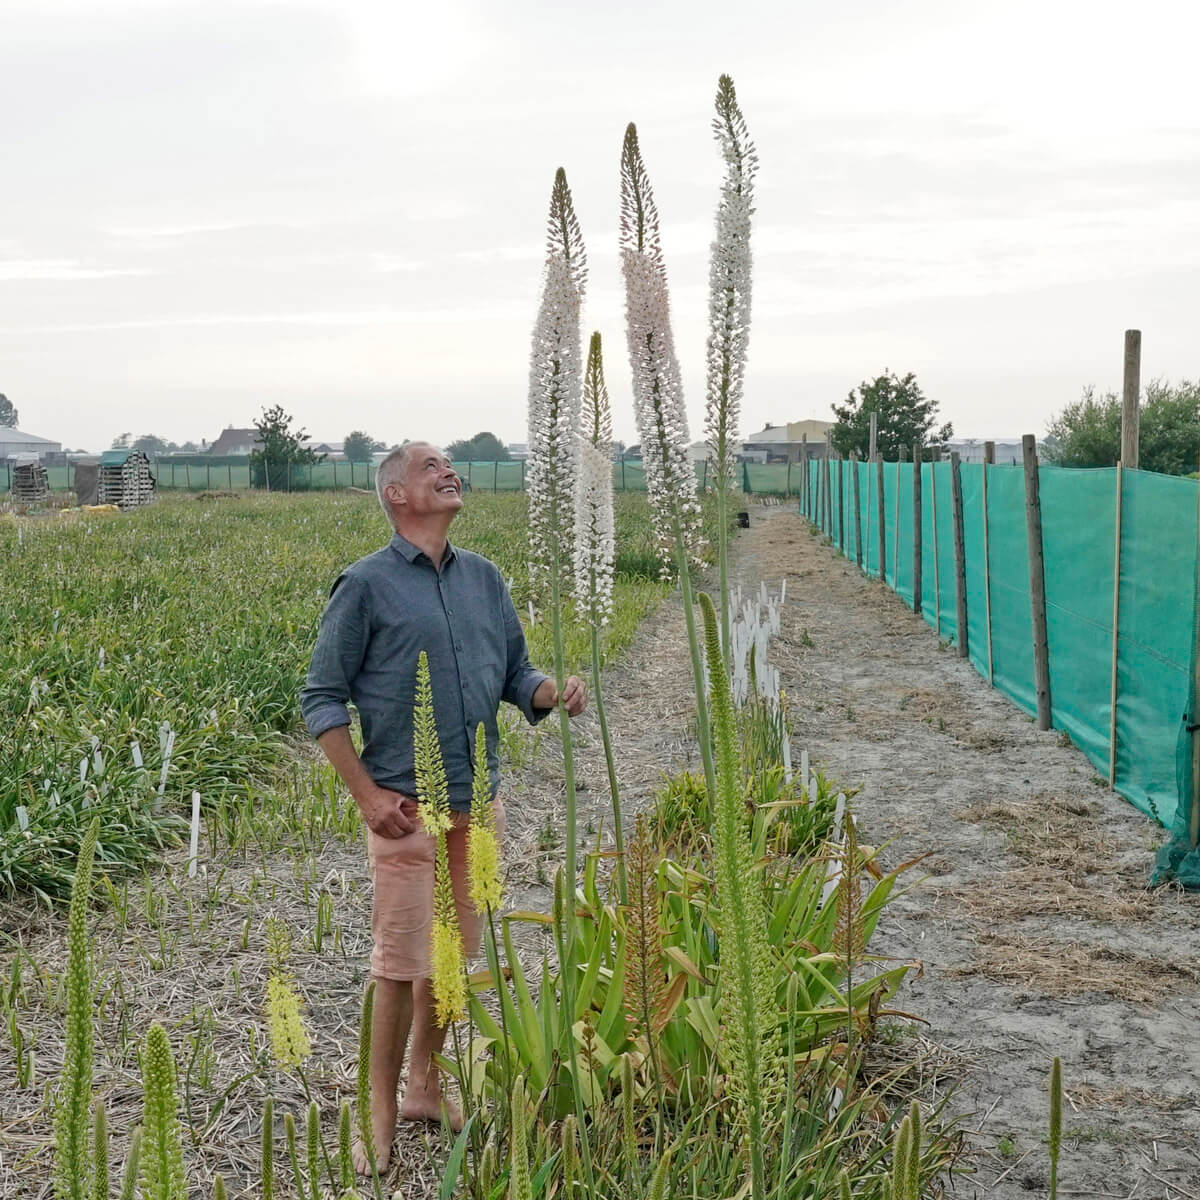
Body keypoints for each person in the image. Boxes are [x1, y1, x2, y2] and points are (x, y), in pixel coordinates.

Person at [300, 441, 586, 1173]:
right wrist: (366, 796)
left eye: (450, 463)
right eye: (431, 465)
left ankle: (426, 1085)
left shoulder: (484, 580)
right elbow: (322, 698)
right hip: (404, 806)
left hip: (475, 802)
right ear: (397, 494)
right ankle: (378, 1110)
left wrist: (552, 692)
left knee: (452, 959)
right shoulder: (363, 586)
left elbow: (516, 671)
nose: (448, 470)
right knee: (399, 964)